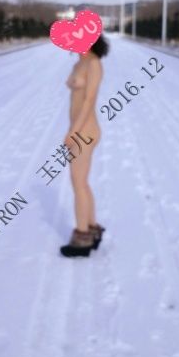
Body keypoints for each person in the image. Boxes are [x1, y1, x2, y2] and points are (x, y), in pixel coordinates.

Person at [60, 33, 109, 257]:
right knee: (82, 183)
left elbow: (89, 101)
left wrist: (73, 132)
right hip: (80, 129)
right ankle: (92, 229)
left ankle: (82, 239)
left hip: (85, 131)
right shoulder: (79, 62)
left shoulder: (93, 63)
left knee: (78, 183)